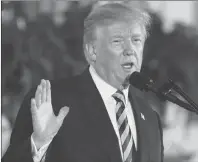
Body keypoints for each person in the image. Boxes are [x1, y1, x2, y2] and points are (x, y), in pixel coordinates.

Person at [2, 2, 164, 162]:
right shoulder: (52, 102)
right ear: (92, 51)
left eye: (136, 40)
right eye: (118, 41)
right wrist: (38, 144)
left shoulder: (150, 118)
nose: (130, 51)